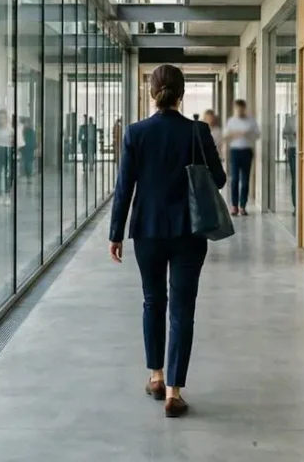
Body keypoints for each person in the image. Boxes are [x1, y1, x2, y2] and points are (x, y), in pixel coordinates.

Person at [108, 64, 225, 419]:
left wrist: (116, 233)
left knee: (152, 301)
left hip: (148, 231)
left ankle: (156, 376)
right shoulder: (197, 131)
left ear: (151, 93)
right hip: (190, 232)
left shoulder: (135, 133)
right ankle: (175, 391)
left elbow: (124, 187)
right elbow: (218, 180)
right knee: (182, 311)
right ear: (182, 93)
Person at [224, 99, 260, 216]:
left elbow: (258, 134)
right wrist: (234, 134)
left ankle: (243, 206)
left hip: (247, 151)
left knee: (245, 181)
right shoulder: (231, 121)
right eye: (237, 109)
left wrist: (248, 134)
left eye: (241, 109)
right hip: (235, 152)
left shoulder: (251, 120)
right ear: (235, 109)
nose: (239, 111)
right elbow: (225, 136)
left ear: (244, 108)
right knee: (234, 180)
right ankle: (234, 206)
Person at [0, 109, 16, 205]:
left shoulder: (10, 130)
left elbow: (14, 142)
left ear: (6, 119)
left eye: (2, 118)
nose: (1, 120)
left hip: (7, 150)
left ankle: (7, 195)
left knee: (8, 174)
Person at [283, 113, 297, 211]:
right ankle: (296, 205)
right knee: (295, 179)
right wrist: (293, 136)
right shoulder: (291, 119)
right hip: (293, 149)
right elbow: (284, 134)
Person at [20, 116, 38, 182]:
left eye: (26, 123)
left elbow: (34, 140)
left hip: (30, 149)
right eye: (24, 123)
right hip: (24, 149)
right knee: (25, 163)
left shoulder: (31, 131)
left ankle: (29, 176)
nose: (25, 124)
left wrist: (35, 148)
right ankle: (28, 175)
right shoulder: (22, 131)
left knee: (29, 164)